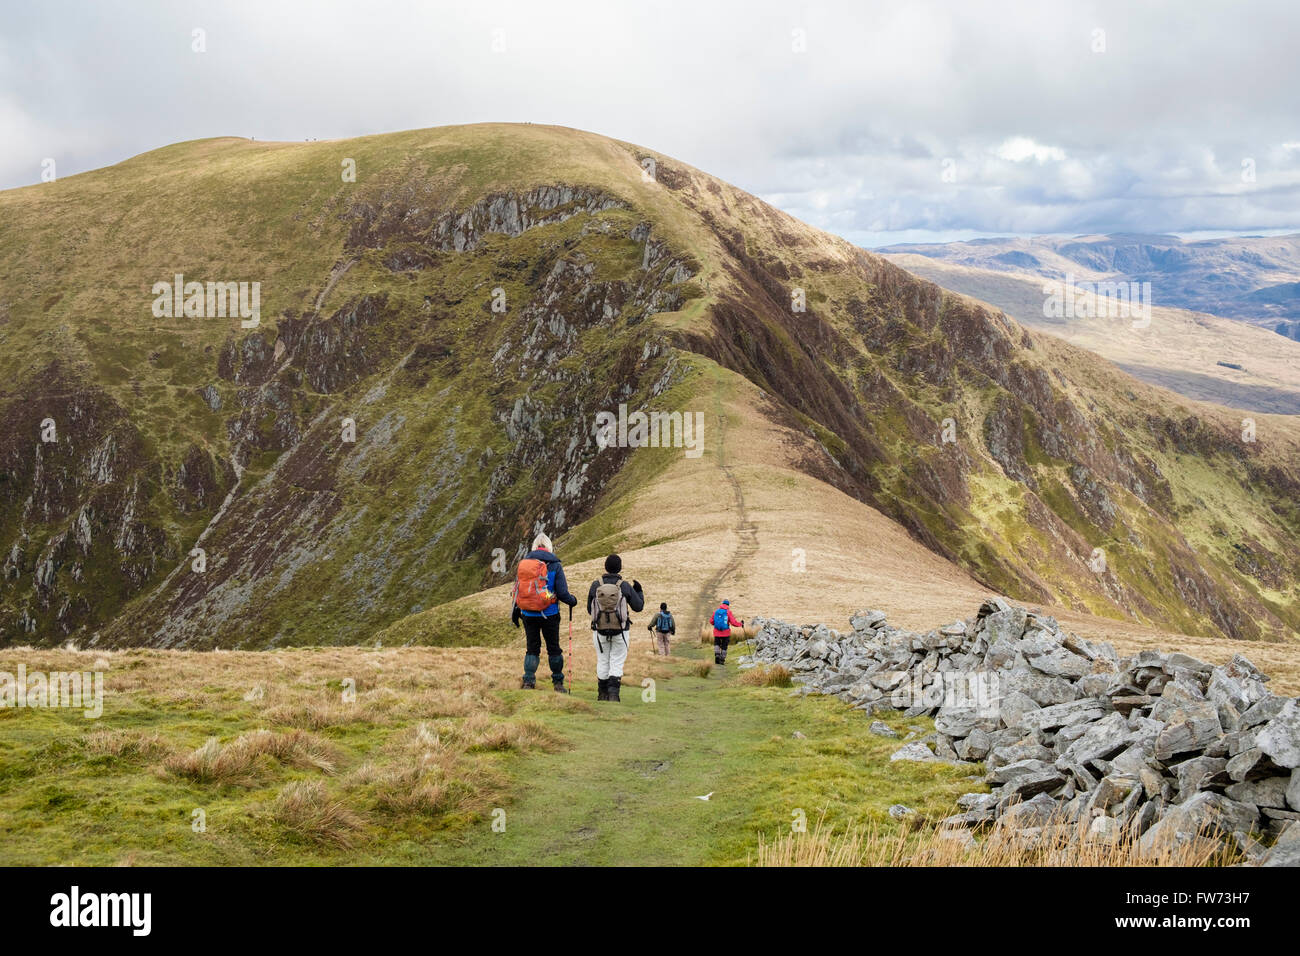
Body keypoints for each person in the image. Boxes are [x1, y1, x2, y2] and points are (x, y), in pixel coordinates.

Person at [510, 533, 579, 691]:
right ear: (549, 547)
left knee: (532, 647)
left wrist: (516, 610)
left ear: (534, 547)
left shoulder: (524, 564)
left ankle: (528, 681)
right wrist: (573, 601)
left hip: (528, 613)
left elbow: (518, 590)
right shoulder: (555, 564)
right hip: (550, 613)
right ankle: (558, 683)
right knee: (553, 647)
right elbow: (562, 593)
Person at [587, 554, 644, 702]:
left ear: (605, 566)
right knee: (617, 661)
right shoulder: (624, 586)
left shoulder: (595, 585)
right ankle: (613, 695)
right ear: (620, 568)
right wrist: (639, 591)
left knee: (602, 660)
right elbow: (638, 607)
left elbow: (589, 609)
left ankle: (602, 694)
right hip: (621, 630)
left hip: (599, 631)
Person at [711, 599, 743, 665]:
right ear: (728, 605)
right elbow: (733, 623)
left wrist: (717, 624)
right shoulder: (728, 612)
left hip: (716, 632)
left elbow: (711, 621)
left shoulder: (716, 612)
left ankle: (717, 655)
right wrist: (740, 624)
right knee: (724, 646)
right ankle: (722, 659)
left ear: (722, 604)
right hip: (726, 633)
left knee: (717, 643)